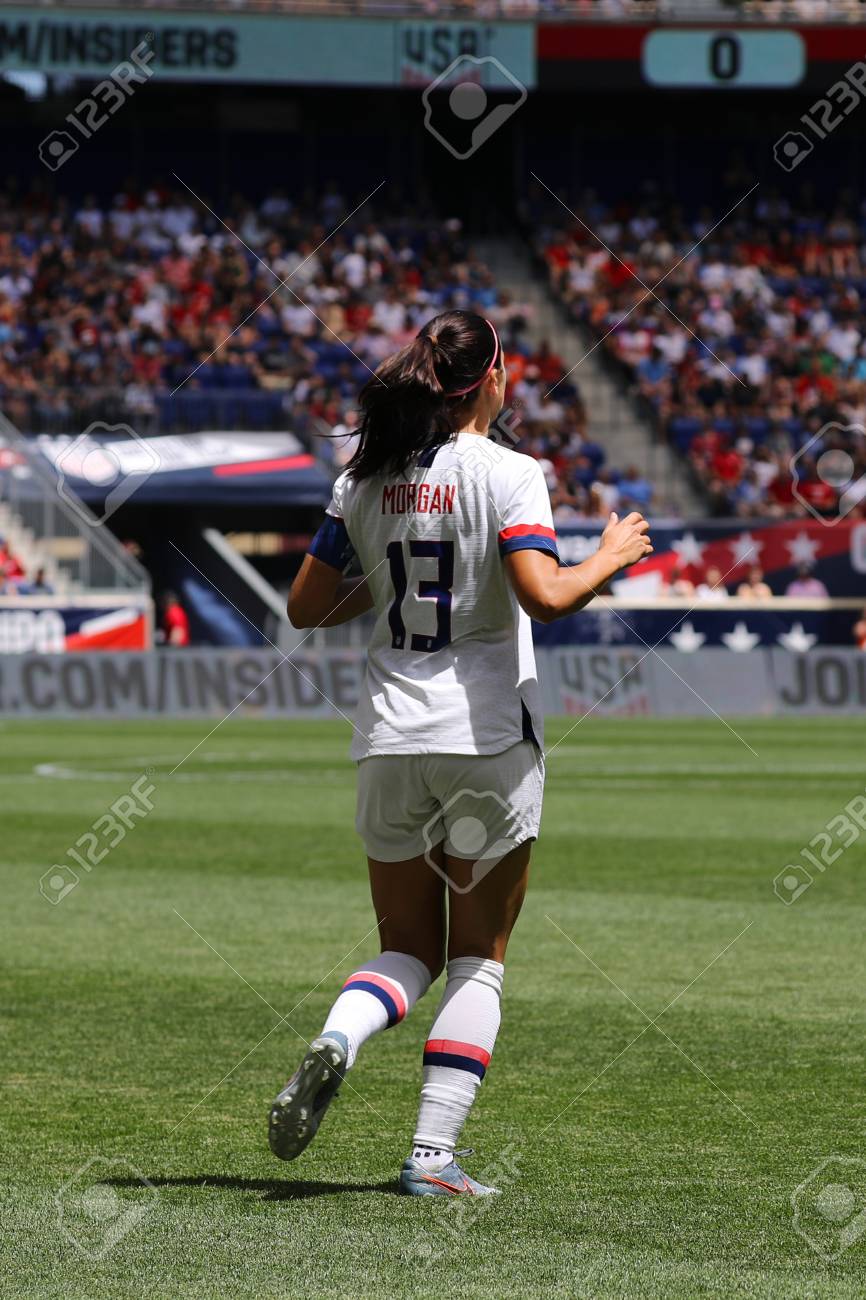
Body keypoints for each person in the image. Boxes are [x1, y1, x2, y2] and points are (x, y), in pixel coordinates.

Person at [269, 309, 652, 1197]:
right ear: (491, 379)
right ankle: (431, 1159)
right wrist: (612, 554)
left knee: (407, 948)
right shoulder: (513, 472)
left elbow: (305, 609)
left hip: (388, 737)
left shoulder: (360, 481)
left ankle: (340, 1037)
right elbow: (546, 597)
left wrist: (399, 569)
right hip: (483, 737)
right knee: (478, 957)